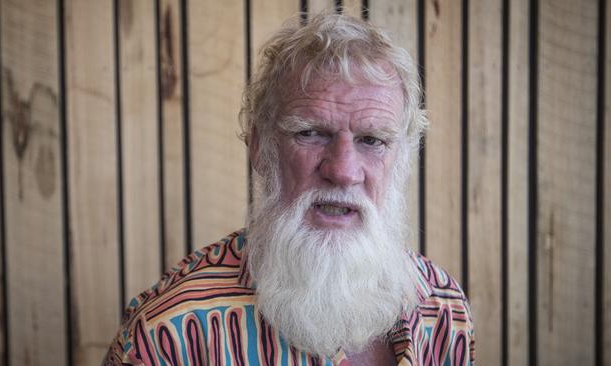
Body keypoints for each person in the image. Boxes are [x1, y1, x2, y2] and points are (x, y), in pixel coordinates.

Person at [103, 12, 474, 366]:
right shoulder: (173, 332)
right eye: (310, 133)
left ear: (403, 159)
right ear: (260, 148)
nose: (343, 172)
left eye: (373, 140)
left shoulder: (443, 308)